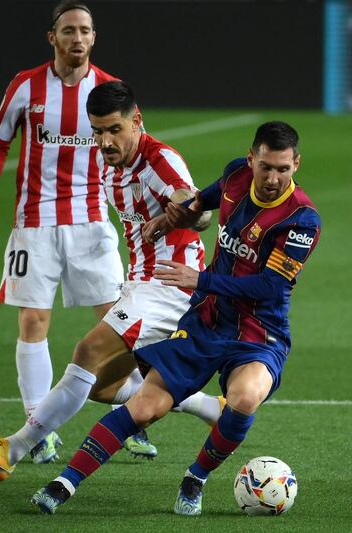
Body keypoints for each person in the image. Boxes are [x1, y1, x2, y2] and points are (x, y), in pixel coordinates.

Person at [29, 120, 321, 516]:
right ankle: (64, 484)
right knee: (145, 406)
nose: (272, 178)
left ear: (296, 164)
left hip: (259, 333)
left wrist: (201, 278)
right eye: (265, 166)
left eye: (283, 169)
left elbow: (270, 287)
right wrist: (173, 217)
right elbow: (205, 198)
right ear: (251, 159)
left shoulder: (301, 220)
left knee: (246, 396)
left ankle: (195, 478)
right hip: (207, 321)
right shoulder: (237, 175)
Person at [0, 81, 226, 482]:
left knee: (87, 349)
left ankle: (11, 450)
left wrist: (185, 213)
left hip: (169, 286)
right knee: (104, 387)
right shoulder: (109, 162)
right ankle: (212, 409)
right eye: (98, 130)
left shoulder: (160, 160)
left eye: (114, 129)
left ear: (136, 121)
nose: (105, 140)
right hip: (140, 284)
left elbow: (199, 208)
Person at [0, 1, 160, 463]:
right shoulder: (26, 85)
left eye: (86, 30)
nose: (79, 38)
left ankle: (135, 415)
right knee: (33, 322)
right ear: (51, 37)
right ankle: (39, 433)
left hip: (92, 222)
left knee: (120, 322)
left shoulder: (109, 92)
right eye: (70, 30)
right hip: (34, 224)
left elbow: (140, 147)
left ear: (94, 38)